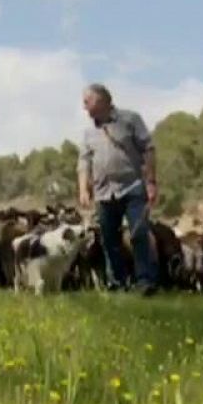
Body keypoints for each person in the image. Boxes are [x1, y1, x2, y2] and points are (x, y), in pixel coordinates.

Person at [76, 83, 158, 296]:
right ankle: (117, 282)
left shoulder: (130, 120)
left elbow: (148, 149)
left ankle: (145, 281)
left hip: (133, 188)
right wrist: (83, 189)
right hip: (104, 193)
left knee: (139, 232)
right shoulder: (88, 133)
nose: (84, 107)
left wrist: (151, 182)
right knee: (109, 238)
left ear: (102, 100)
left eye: (87, 101)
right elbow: (84, 162)